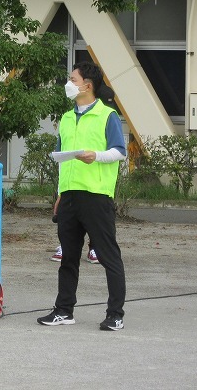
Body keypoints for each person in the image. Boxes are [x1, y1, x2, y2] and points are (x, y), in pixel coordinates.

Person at [37, 61, 127, 331]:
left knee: (108, 255)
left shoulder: (107, 115)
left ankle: (115, 314)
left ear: (88, 85)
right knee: (68, 257)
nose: (69, 83)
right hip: (70, 196)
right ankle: (64, 310)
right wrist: (60, 193)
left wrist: (96, 156)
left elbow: (120, 151)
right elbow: (61, 157)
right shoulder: (66, 118)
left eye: (72, 79)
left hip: (96, 195)